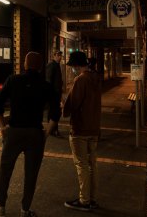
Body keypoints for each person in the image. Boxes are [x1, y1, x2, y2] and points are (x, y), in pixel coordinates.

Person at [0, 52, 60, 217]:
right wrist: (48, 130)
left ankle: (0, 206)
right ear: (40, 67)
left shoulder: (13, 80)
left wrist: (2, 126)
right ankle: (25, 209)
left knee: (5, 169)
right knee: (31, 173)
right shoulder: (45, 85)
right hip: (35, 133)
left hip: (14, 132)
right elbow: (55, 110)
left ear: (25, 64)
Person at [62, 51, 102, 212]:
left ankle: (84, 200)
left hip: (80, 128)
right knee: (92, 164)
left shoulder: (81, 80)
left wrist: (64, 105)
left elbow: (73, 103)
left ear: (77, 65)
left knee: (81, 165)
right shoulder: (95, 78)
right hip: (94, 127)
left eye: (72, 66)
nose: (72, 69)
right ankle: (92, 198)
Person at [45, 50, 63, 136]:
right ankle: (52, 130)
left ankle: (54, 129)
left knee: (55, 112)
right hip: (53, 94)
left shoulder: (57, 65)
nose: (60, 57)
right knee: (53, 112)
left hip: (57, 93)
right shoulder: (51, 65)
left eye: (61, 56)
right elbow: (49, 80)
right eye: (58, 55)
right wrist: (50, 93)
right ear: (54, 56)